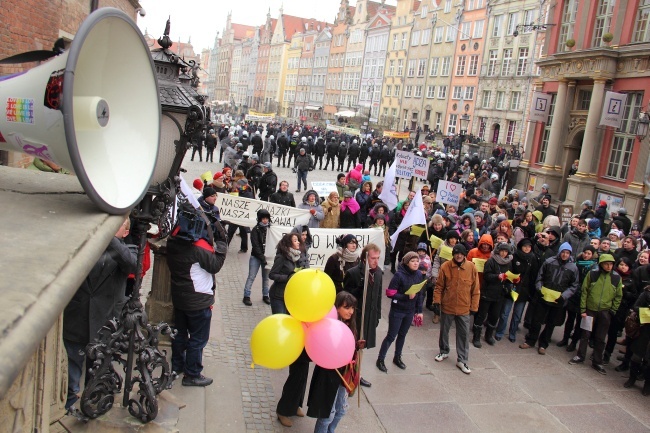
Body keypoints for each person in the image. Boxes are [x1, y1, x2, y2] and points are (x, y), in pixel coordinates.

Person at [63, 217, 137, 415]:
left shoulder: (127, 250)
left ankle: (91, 405)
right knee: (72, 367)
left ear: (125, 232)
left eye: (118, 224)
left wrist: (109, 237)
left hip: (104, 322)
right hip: (77, 316)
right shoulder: (88, 243)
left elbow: (132, 265)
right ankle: (68, 405)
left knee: (96, 370)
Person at [167, 207, 227, 387]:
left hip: (180, 297)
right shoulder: (198, 248)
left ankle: (177, 365)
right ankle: (192, 374)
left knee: (179, 335)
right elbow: (215, 265)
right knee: (197, 339)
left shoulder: (172, 242)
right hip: (198, 299)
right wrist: (222, 246)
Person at [270, 232, 311, 427]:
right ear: (288, 243)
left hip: (299, 302)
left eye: (299, 240)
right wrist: (289, 277)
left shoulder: (304, 257)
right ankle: (284, 409)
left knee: (302, 370)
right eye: (295, 240)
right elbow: (272, 274)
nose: (298, 242)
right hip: (281, 297)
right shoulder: (282, 257)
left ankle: (296, 404)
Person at [307, 291, 359, 432]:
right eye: (346, 308)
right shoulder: (329, 325)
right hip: (329, 374)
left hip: (345, 373)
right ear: (337, 308)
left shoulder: (351, 325)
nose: (351, 312)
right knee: (327, 414)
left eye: (353, 308)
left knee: (341, 410)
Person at [520, 243, 580, 354]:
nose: (564, 255)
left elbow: (574, 285)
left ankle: (543, 344)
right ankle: (530, 340)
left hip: (558, 300)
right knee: (536, 320)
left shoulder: (573, 268)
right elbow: (540, 277)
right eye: (563, 252)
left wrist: (564, 296)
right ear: (559, 252)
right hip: (544, 296)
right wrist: (539, 289)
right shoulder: (549, 262)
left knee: (551, 323)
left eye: (567, 253)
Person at [568, 254, 623, 375]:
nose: (609, 266)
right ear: (601, 264)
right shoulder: (592, 274)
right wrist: (583, 309)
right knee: (585, 334)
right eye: (606, 263)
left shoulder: (616, 278)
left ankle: (598, 361)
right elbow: (584, 291)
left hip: (605, 311)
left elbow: (619, 295)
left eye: (611, 264)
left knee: (601, 337)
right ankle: (580, 356)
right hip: (590, 309)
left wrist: (613, 310)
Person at [433, 244, 480, 374]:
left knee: (463, 334)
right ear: (453, 254)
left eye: (461, 253)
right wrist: (436, 301)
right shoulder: (445, 267)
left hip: (464, 307)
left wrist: (474, 306)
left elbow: (475, 289)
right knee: (444, 331)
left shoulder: (471, 267)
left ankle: (462, 359)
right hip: (448, 305)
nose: (459, 255)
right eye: (456, 253)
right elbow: (439, 287)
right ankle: (444, 351)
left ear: (465, 254)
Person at [376, 252, 425, 373]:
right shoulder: (399, 275)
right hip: (397, 311)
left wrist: (419, 311)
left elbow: (419, 294)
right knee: (391, 336)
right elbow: (390, 293)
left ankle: (397, 357)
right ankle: (380, 359)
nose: (415, 263)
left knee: (402, 335)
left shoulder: (419, 274)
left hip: (410, 311)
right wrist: (405, 296)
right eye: (413, 261)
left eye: (417, 261)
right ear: (407, 262)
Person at [343, 243, 383, 388]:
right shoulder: (353, 273)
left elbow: (378, 296)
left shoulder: (378, 273)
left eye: (378, 258)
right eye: (373, 258)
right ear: (365, 258)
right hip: (355, 318)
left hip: (369, 317)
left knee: (361, 348)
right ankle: (348, 373)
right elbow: (344, 298)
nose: (376, 261)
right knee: (352, 346)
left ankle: (357, 374)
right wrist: (358, 289)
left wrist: (377, 315)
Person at [474, 242, 516, 348]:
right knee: (482, 315)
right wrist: (498, 276)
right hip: (488, 292)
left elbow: (509, 276)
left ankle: (489, 335)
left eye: (506, 251)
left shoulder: (508, 262)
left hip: (500, 294)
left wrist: (512, 280)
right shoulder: (491, 261)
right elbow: (487, 276)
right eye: (502, 251)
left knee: (494, 316)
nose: (503, 253)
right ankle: (476, 337)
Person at [242, 209, 272, 306]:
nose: (265, 221)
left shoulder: (271, 229)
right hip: (256, 256)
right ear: (259, 219)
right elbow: (255, 245)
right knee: (251, 276)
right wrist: (262, 258)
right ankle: (246, 295)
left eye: (266, 218)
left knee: (266, 278)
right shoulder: (255, 230)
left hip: (266, 257)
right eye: (263, 218)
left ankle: (265, 295)